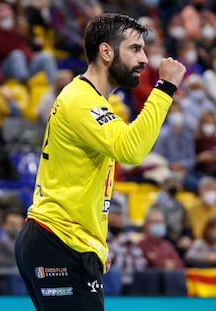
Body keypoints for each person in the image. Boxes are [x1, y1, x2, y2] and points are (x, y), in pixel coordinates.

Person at [14, 13, 186, 311]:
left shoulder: (92, 100)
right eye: (135, 49)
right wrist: (165, 88)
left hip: (68, 241)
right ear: (106, 51)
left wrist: (96, 241)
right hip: (57, 240)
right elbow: (130, 149)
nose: (144, 59)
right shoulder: (81, 100)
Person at [0, 209, 27, 295]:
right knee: (17, 273)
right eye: (12, 225)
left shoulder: (27, 244)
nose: (15, 229)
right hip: (4, 280)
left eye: (18, 225)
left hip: (25, 278)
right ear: (4, 225)